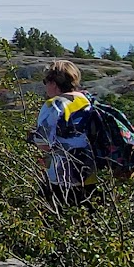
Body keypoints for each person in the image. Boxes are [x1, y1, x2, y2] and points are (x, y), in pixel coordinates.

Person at [30, 60, 93, 205]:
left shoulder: (54, 104)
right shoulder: (87, 100)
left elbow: (44, 143)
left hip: (62, 176)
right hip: (90, 173)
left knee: (57, 214)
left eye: (46, 82)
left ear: (53, 82)